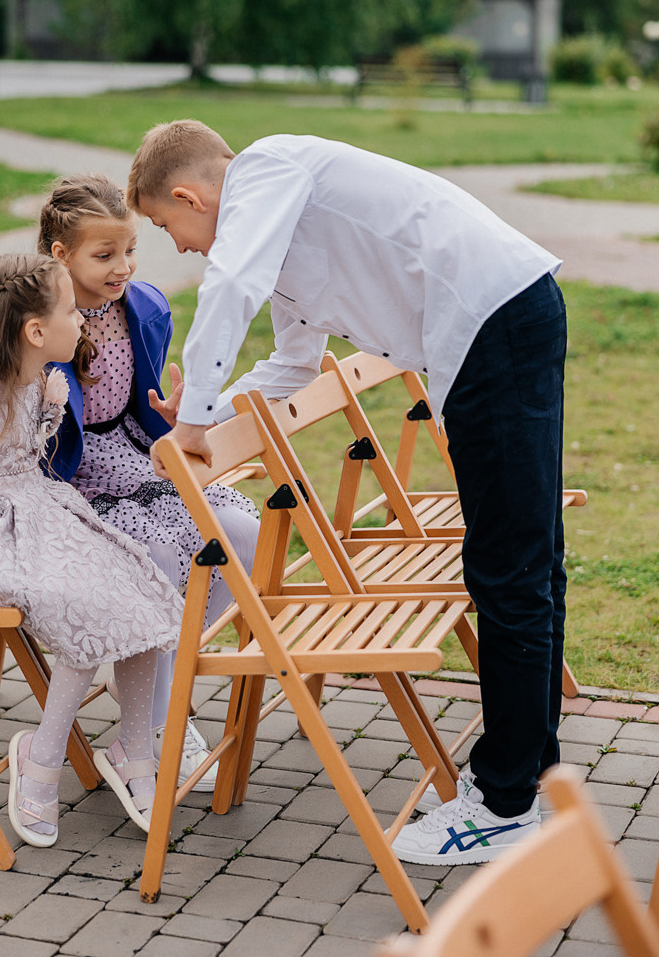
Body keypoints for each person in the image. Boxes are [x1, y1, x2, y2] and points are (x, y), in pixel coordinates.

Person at [127, 120, 568, 867]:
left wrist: (198, 412)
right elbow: (292, 366)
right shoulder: (290, 231)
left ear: (189, 195)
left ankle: (503, 804)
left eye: (171, 227)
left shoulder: (269, 167)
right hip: (494, 327)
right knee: (525, 563)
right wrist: (210, 412)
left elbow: (230, 279)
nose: (182, 247)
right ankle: (531, 775)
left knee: (510, 568)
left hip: (493, 325)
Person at [0, 253, 184, 848]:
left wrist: (51, 406)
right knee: (78, 600)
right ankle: (42, 756)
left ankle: (136, 750)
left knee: (136, 581)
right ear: (34, 331)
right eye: (72, 312)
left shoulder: (33, 381)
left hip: (38, 517)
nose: (82, 321)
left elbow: (28, 460)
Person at [37, 174, 260, 789]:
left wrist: (169, 413)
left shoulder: (145, 306)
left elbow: (137, 399)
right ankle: (153, 720)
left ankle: (159, 696)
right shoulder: (34, 323)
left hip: (136, 453)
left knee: (239, 532)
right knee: (158, 552)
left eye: (130, 251)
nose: (123, 267)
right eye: (105, 256)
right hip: (69, 473)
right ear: (61, 255)